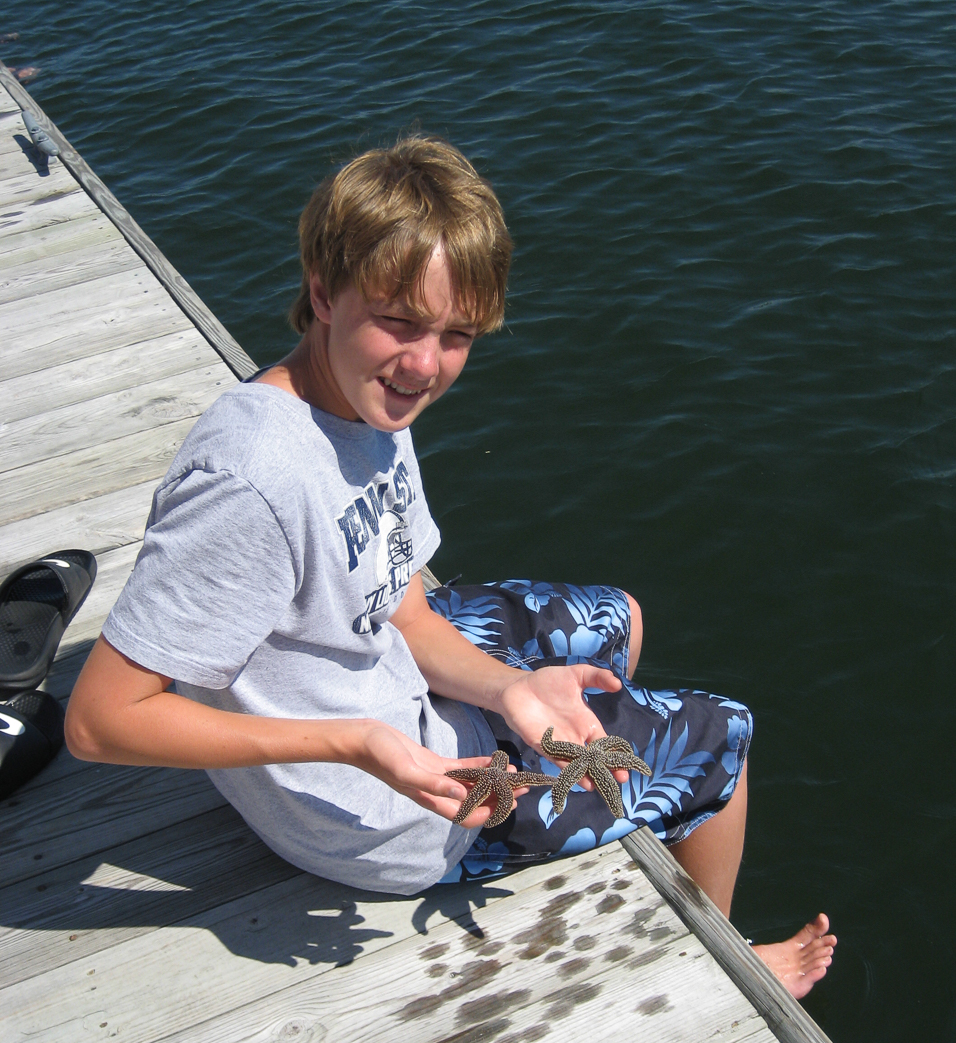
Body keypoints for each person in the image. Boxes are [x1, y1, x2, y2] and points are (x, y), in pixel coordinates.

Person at [65, 135, 835, 998]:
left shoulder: (358, 403)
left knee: (617, 616)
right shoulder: (251, 482)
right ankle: (728, 967)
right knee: (723, 740)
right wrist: (355, 742)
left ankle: (600, 800)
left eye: (455, 334)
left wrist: (507, 690)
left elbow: (404, 607)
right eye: (398, 321)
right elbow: (99, 721)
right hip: (390, 810)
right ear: (321, 292)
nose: (424, 365)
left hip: (381, 689)